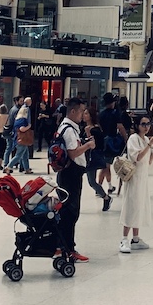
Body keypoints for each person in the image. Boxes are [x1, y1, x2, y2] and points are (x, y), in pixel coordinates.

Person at [55, 98, 96, 262]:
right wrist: (88, 146)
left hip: (67, 174)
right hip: (70, 174)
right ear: (73, 111)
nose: (82, 115)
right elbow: (73, 153)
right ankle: (68, 248)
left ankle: (62, 246)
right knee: (70, 213)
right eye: (81, 111)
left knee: (67, 211)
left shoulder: (66, 127)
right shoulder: (69, 130)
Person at [118, 113, 153, 253]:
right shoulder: (133, 139)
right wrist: (149, 144)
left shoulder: (145, 139)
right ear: (137, 125)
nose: (146, 127)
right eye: (143, 124)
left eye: (148, 124)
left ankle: (135, 238)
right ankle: (124, 238)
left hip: (143, 178)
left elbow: (148, 161)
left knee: (139, 206)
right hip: (134, 178)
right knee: (131, 206)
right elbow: (137, 157)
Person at [4, 105, 33, 174]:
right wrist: (29, 126)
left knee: (25, 155)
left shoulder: (17, 119)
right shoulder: (22, 120)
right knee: (18, 155)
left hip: (17, 138)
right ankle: (8, 167)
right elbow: (22, 129)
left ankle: (27, 169)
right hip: (22, 139)